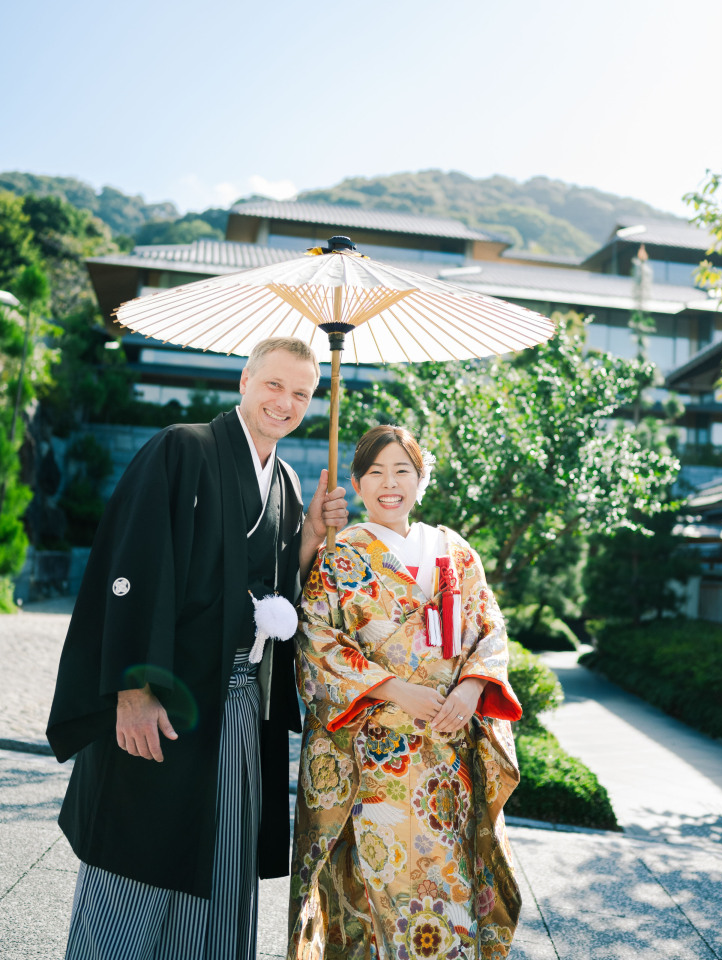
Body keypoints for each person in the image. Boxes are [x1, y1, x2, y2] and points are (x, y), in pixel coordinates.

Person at [47, 336, 349, 960]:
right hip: (166, 694)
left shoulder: (289, 483)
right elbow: (131, 567)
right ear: (244, 379)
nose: (284, 402)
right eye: (274, 384)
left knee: (219, 865)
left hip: (237, 706)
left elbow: (274, 594)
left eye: (300, 393)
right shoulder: (182, 447)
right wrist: (132, 691)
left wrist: (311, 535)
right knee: (139, 857)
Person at [289, 424, 522, 960]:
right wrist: (394, 690)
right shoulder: (337, 556)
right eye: (374, 472)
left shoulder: (455, 551)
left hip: (448, 758)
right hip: (377, 760)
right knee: (379, 892)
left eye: (402, 471)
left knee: (453, 887)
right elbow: (316, 641)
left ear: (422, 479)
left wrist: (470, 687)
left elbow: (489, 626)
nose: (388, 484)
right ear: (354, 483)